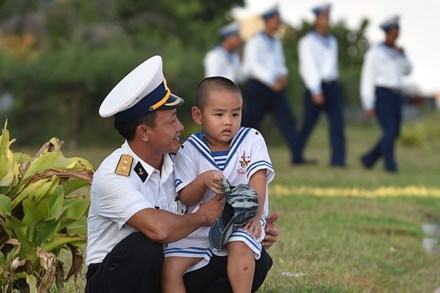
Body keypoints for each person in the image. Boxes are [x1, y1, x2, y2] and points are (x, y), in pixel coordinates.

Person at [85, 55, 276, 293]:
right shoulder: (114, 175)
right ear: (144, 132)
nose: (180, 128)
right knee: (144, 247)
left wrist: (246, 223)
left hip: (161, 271)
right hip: (116, 280)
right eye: (171, 121)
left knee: (255, 260)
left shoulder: (180, 159)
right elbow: (160, 230)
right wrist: (203, 217)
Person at [162, 77, 275, 293]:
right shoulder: (189, 149)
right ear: (198, 115)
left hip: (242, 221)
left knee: (241, 246)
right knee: (171, 267)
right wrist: (202, 180)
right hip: (199, 226)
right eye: (219, 114)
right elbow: (186, 197)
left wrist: (254, 215)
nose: (228, 121)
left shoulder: (251, 139)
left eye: (235, 113)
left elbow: (258, 181)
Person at [242, 6, 299, 164]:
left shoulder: (276, 42)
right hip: (258, 87)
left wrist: (283, 75)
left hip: (276, 87)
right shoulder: (255, 41)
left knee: (287, 120)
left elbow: (280, 63)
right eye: (276, 20)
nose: (279, 24)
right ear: (267, 21)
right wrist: (271, 81)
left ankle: (297, 156)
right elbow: (253, 66)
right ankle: (242, 156)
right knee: (252, 123)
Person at [360, 16, 412, 172]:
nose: (395, 35)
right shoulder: (375, 53)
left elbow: (408, 71)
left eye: (397, 32)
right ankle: (390, 166)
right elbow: (367, 78)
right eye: (393, 32)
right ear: (387, 33)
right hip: (382, 94)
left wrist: (403, 55)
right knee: (389, 130)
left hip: (397, 95)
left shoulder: (398, 53)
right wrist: (368, 102)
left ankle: (369, 159)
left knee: (395, 131)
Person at [296, 3, 346, 167]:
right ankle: (297, 155)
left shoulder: (332, 41)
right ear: (317, 19)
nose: (327, 20)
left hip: (332, 86)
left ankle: (338, 160)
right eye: (324, 17)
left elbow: (332, 66)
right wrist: (315, 89)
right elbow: (308, 66)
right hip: (316, 87)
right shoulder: (307, 41)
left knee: (337, 124)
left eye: (328, 17)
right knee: (308, 123)